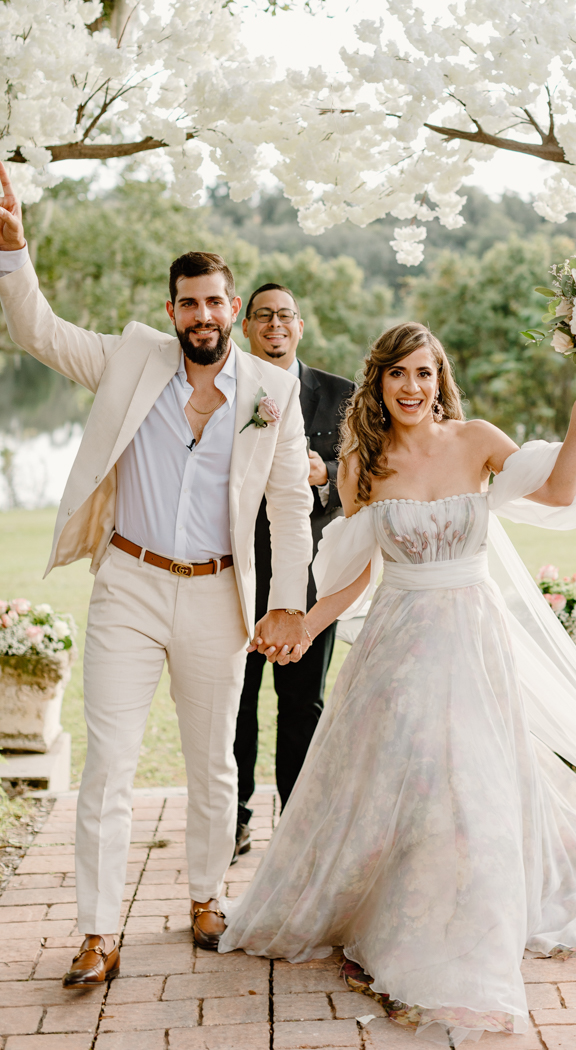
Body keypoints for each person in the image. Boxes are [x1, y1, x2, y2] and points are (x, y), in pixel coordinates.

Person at [220, 322, 576, 1046]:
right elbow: (354, 572)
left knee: (471, 784)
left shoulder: (476, 439)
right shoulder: (364, 464)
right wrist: (308, 626)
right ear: (378, 382)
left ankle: (470, 923)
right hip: (398, 644)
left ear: (440, 379)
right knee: (410, 783)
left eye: (424, 373)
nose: (412, 388)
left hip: (472, 641)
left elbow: (562, 489)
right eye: (397, 375)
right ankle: (401, 908)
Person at [0, 163, 313, 986]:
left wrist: (285, 605)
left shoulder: (273, 391)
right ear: (171, 310)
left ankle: (208, 896)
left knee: (214, 761)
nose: (202, 315)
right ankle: (99, 931)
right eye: (188, 302)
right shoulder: (133, 358)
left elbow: (289, 509)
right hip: (130, 586)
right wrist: (12, 252)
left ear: (233, 309)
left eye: (216, 301)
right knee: (110, 762)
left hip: (220, 593)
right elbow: (41, 331)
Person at [233, 283, 355, 854]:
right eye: (263, 316)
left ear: (300, 326)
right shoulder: (226, 389)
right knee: (235, 698)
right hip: (231, 571)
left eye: (285, 316)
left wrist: (323, 475)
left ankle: (298, 828)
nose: (275, 324)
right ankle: (232, 821)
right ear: (247, 327)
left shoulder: (342, 395)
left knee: (302, 703)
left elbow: (368, 473)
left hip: (310, 576)